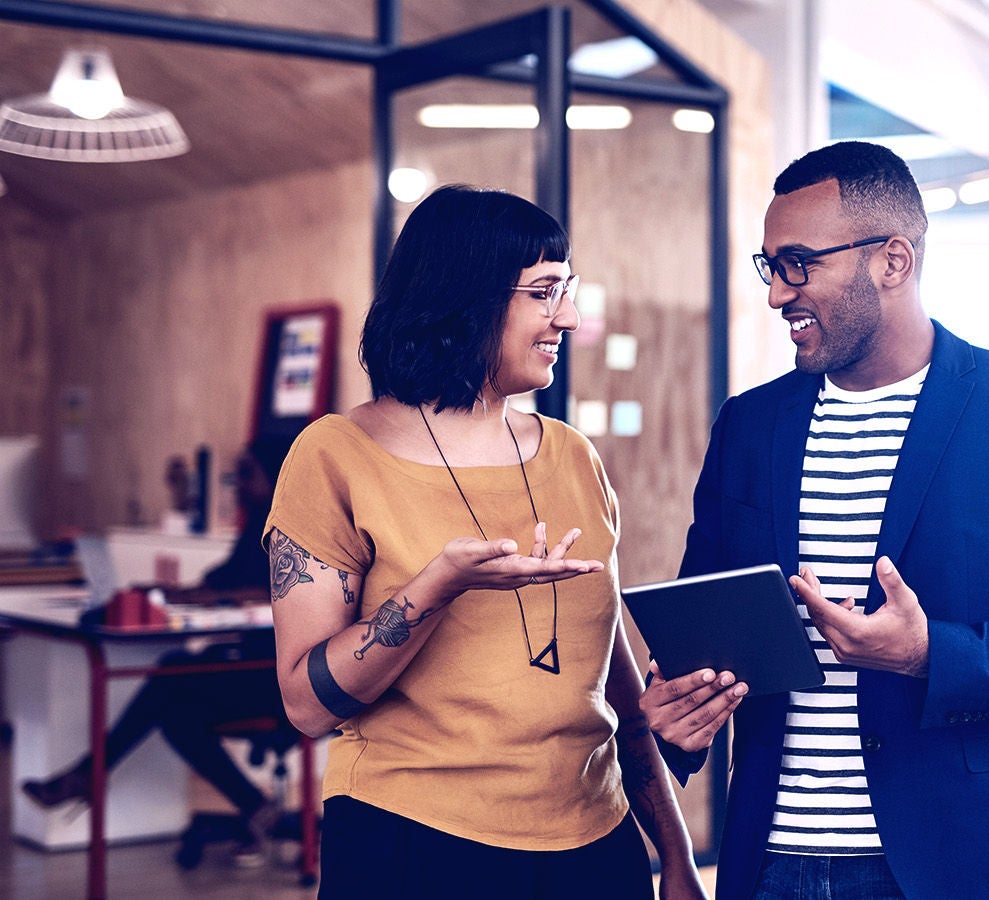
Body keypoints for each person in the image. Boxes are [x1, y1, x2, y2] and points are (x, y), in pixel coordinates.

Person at [641, 141, 989, 899]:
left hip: (964, 860)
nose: (779, 294)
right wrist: (677, 720)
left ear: (893, 261)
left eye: (800, 264)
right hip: (775, 866)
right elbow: (704, 635)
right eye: (771, 266)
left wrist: (928, 654)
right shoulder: (749, 427)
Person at [264, 185, 704, 899]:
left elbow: (613, 688)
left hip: (595, 842)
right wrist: (437, 587)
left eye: (568, 288)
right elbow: (307, 705)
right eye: (544, 292)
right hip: (412, 840)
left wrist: (676, 856)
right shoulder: (336, 454)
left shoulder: (572, 455)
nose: (568, 315)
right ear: (465, 299)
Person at [23, 434, 296, 866]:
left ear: (277, 472)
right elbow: (219, 582)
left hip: (280, 676)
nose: (237, 483)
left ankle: (89, 773)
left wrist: (213, 599)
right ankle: (254, 807)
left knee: (172, 676)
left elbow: (275, 592)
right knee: (175, 709)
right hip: (245, 662)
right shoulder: (256, 523)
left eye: (247, 473)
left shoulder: (295, 525)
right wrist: (170, 593)